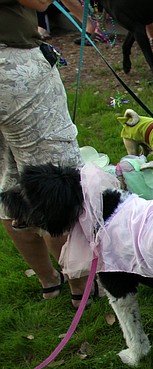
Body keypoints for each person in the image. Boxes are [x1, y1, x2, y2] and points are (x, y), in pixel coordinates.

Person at [1, 0, 88, 306]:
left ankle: (49, 281)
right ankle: (80, 285)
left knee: (9, 177)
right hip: (12, 72)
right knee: (55, 177)